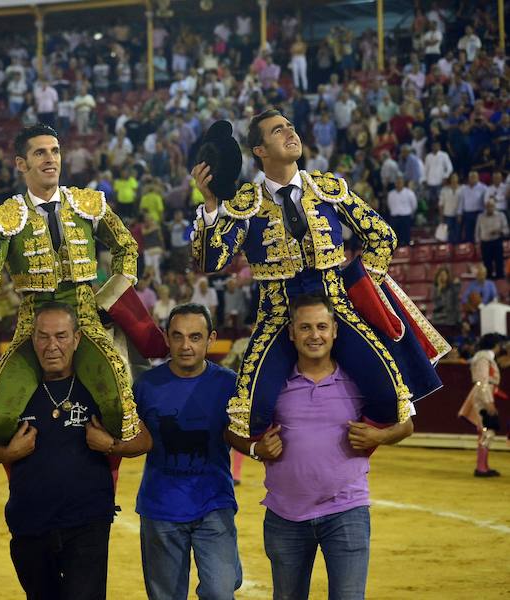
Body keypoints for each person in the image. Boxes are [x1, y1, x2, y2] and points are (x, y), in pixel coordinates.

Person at [191, 108, 446, 442]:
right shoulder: (244, 204)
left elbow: (383, 236)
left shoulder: (328, 188)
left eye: (290, 126)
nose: (289, 133)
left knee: (390, 396)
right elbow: (212, 262)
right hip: (278, 315)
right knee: (249, 414)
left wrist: (360, 285)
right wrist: (210, 204)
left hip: (335, 307)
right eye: (277, 131)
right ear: (260, 150)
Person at [0, 124, 142, 448]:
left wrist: (110, 299)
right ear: (21, 163)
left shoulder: (88, 203)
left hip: (84, 318)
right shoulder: (4, 216)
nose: (50, 158)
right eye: (39, 152)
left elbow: (126, 247)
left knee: (119, 408)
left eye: (55, 151)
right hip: (33, 321)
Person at [227, 294, 414, 600]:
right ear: (291, 333)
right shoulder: (270, 384)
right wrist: (255, 450)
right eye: (305, 327)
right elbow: (232, 431)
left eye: (322, 327)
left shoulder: (361, 379)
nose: (315, 335)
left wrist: (379, 437)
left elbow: (406, 424)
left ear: (335, 330)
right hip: (284, 514)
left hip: (346, 511)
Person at [0, 303, 152, 600]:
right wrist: (8, 454)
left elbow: (144, 441)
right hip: (30, 522)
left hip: (87, 521)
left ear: (77, 339)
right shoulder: (16, 392)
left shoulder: (98, 388)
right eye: (43, 336)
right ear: (32, 339)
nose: (51, 346)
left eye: (61, 336)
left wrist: (111, 445)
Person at [135, 303, 241, 600]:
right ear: (166, 338)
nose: (185, 345)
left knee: (220, 592)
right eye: (178, 336)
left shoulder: (229, 384)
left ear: (211, 339)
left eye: (195, 337)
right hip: (160, 507)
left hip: (213, 503)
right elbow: (129, 436)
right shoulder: (145, 386)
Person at [458, 333, 503, 477]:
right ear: (495, 345)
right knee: (487, 431)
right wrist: (488, 402)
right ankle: (481, 468)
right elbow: (482, 381)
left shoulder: (484, 357)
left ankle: (483, 466)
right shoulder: (484, 358)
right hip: (483, 395)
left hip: (483, 394)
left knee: (485, 431)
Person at [474, 199, 509, 280]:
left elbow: (507, 230)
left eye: (492, 206)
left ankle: (500, 281)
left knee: (499, 263)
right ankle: (488, 281)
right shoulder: (480, 216)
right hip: (485, 243)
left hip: (497, 241)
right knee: (487, 264)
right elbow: (477, 231)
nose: (490, 208)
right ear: (485, 207)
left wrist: (499, 231)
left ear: (495, 206)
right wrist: (477, 243)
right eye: (488, 206)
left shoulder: (501, 215)